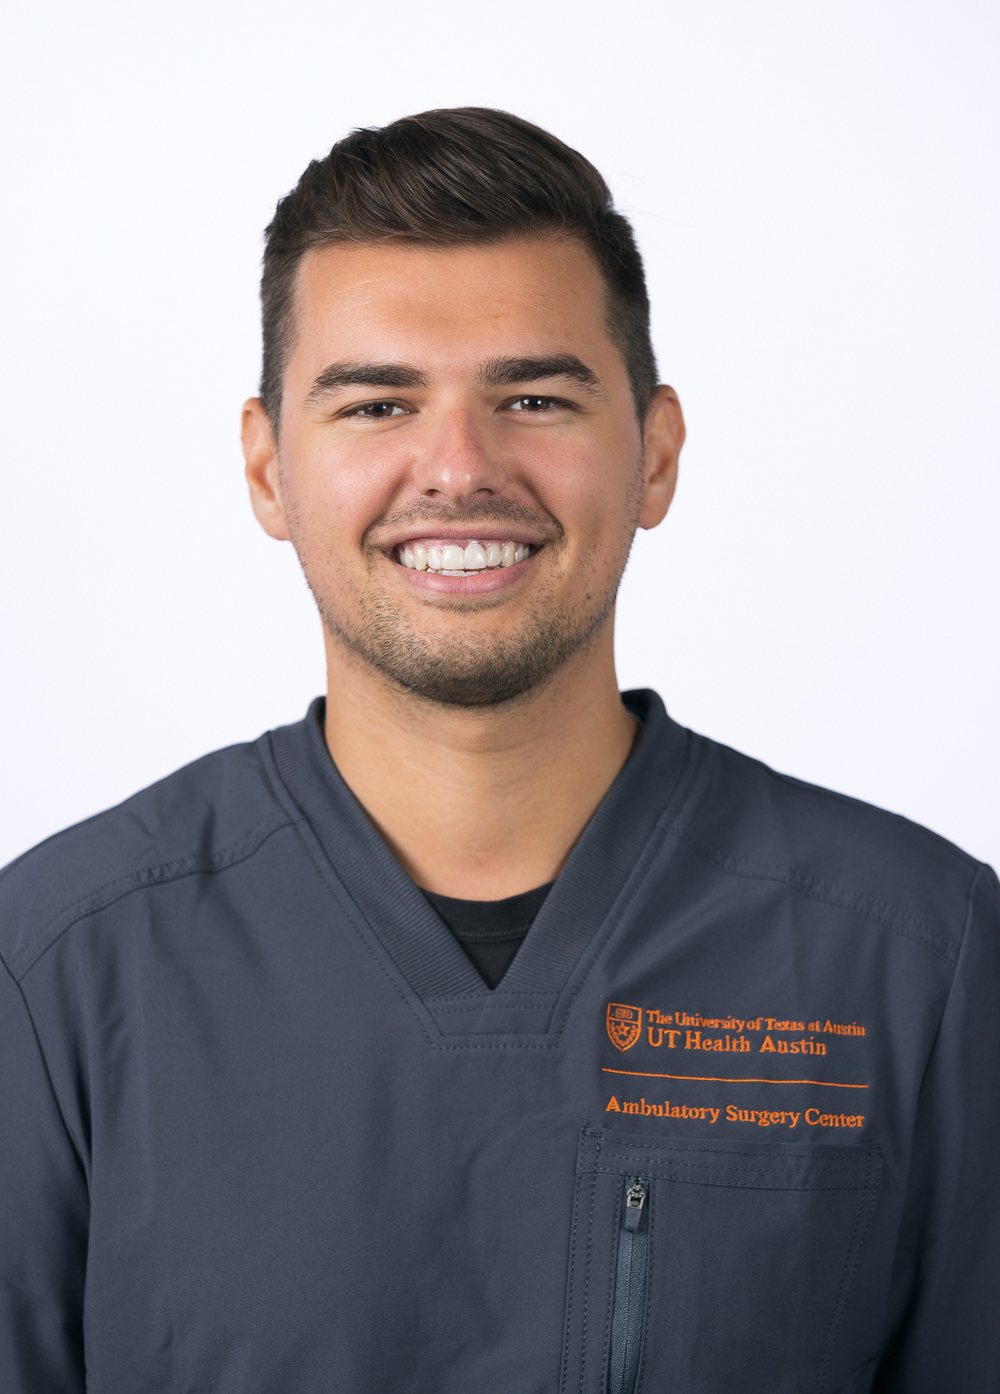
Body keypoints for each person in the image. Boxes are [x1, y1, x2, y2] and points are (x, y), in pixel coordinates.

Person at [0, 108, 996, 1394]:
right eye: (376, 402)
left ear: (656, 453)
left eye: (533, 397)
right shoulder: (56, 972)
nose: (458, 469)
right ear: (267, 469)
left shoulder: (921, 958)